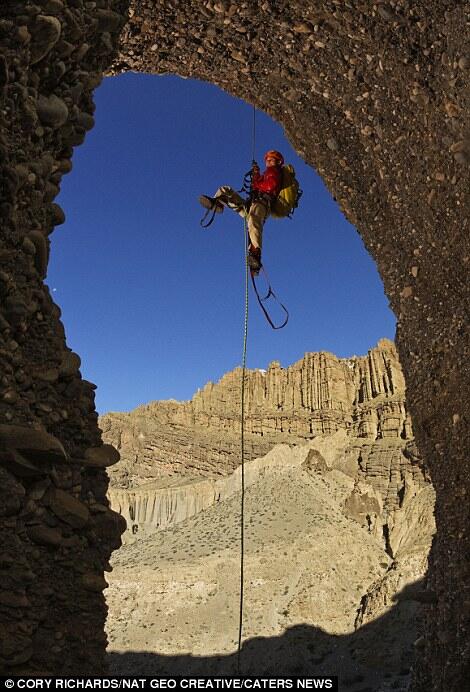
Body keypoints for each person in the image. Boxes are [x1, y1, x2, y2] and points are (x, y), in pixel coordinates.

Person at [199, 150, 284, 273]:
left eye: (271, 159)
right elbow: (257, 185)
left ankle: (255, 253)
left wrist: (257, 180)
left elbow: (270, 186)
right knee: (225, 189)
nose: (268, 161)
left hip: (262, 204)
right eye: (267, 159)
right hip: (252, 204)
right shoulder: (266, 174)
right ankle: (217, 203)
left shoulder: (275, 171)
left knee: (254, 219)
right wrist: (256, 174)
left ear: (278, 161)